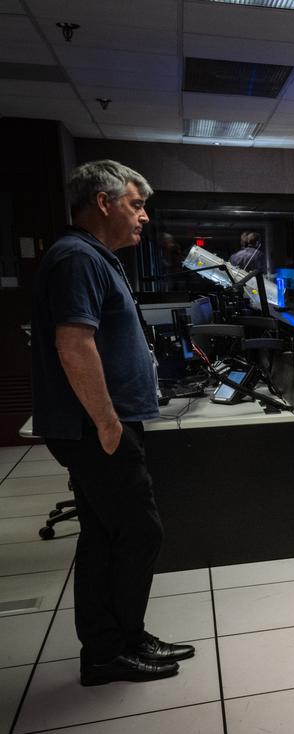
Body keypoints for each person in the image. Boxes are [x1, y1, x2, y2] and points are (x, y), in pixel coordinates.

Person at [32, 160, 195, 687]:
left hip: (102, 423)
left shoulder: (93, 256)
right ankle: (108, 651)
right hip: (96, 427)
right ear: (103, 203)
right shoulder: (77, 258)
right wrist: (107, 425)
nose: (144, 216)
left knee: (105, 536)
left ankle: (122, 640)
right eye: (135, 204)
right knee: (138, 532)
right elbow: (74, 344)